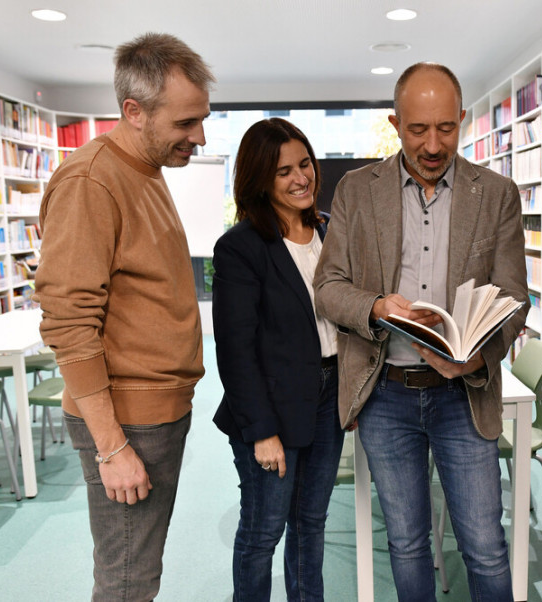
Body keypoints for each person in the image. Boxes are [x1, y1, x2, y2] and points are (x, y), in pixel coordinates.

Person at [314, 62, 527, 601]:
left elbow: (514, 299)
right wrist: (377, 307)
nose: (433, 145)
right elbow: (328, 287)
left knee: (485, 545)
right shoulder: (356, 191)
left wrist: (477, 358)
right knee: (406, 543)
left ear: (462, 118)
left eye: (446, 128)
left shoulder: (496, 193)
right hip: (385, 394)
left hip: (464, 394)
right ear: (395, 123)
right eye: (417, 130)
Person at [34, 33, 213, 601]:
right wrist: (111, 447)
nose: (199, 136)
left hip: (154, 413)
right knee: (128, 582)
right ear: (134, 112)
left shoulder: (146, 168)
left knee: (138, 573)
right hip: (127, 423)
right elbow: (68, 321)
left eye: (201, 119)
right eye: (185, 123)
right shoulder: (91, 181)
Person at [212, 118, 344, 601]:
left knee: (311, 523)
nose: (300, 178)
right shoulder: (240, 247)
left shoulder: (330, 231)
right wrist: (262, 431)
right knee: (263, 531)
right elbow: (235, 349)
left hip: (328, 397)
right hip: (270, 407)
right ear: (260, 180)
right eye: (283, 171)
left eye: (304, 164)